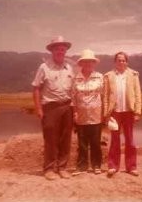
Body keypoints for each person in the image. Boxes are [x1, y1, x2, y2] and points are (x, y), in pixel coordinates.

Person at [32, 36, 74, 180]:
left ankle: (62, 168)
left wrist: (74, 108)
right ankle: (49, 169)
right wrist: (39, 109)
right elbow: (36, 88)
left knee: (65, 139)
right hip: (50, 107)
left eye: (63, 49)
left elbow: (73, 89)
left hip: (67, 106)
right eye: (57, 48)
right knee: (50, 139)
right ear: (52, 51)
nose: (60, 51)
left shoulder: (69, 68)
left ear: (65, 51)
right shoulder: (44, 67)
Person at [103, 51, 142, 177]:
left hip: (129, 112)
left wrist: (137, 112)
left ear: (127, 62)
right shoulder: (108, 76)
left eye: (123, 60)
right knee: (114, 141)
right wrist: (106, 114)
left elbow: (137, 95)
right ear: (115, 62)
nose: (121, 62)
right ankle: (113, 166)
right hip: (114, 113)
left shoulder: (133, 75)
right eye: (119, 60)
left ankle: (131, 167)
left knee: (130, 140)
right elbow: (105, 97)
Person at [72, 49, 103, 176]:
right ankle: (82, 166)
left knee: (96, 142)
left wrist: (105, 114)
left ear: (94, 63)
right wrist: (74, 113)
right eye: (86, 62)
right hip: (81, 116)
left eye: (91, 62)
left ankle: (96, 165)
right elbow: (73, 97)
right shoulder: (76, 78)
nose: (88, 64)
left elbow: (104, 95)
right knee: (82, 143)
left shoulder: (100, 77)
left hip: (96, 115)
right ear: (81, 64)